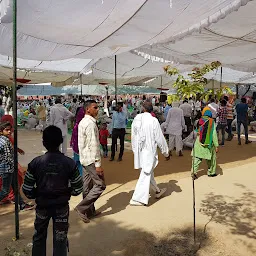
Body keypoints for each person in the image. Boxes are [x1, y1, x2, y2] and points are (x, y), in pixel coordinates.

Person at [22, 126, 83, 256]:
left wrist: (36, 193)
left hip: (42, 206)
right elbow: (78, 188)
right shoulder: (70, 163)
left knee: (39, 236)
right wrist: (67, 192)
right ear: (61, 141)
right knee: (60, 239)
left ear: (43, 142)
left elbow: (26, 189)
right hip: (61, 206)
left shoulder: (35, 163)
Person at [130, 100, 170, 206]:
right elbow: (160, 138)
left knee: (147, 172)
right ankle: (137, 199)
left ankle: (157, 190)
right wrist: (166, 153)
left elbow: (133, 136)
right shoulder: (153, 121)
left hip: (139, 150)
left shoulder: (136, 119)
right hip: (148, 151)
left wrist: (134, 149)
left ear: (143, 109)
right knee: (146, 173)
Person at [75, 100, 106, 223]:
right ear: (88, 109)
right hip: (91, 160)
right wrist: (98, 164)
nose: (97, 109)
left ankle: (89, 211)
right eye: (95, 107)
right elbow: (94, 145)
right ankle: (82, 208)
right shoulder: (90, 124)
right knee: (100, 185)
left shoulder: (83, 122)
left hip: (84, 158)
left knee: (87, 186)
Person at [0, 121, 33, 210]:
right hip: (7, 169)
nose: (9, 132)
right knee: (5, 191)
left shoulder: (5, 139)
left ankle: (22, 204)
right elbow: (7, 158)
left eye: (10, 130)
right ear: (1, 131)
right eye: (7, 130)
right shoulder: (4, 141)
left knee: (15, 188)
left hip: (9, 168)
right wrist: (18, 167)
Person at [191, 107, 219, 180]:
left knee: (197, 159)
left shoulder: (199, 121)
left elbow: (197, 131)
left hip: (198, 142)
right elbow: (214, 134)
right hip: (208, 144)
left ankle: (193, 172)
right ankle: (211, 172)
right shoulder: (211, 122)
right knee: (211, 159)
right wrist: (216, 145)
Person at [70, 107, 85, 176]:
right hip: (81, 147)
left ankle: (78, 176)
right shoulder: (83, 125)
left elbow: (73, 135)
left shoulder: (77, 125)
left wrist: (72, 142)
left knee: (78, 162)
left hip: (77, 147)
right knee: (81, 163)